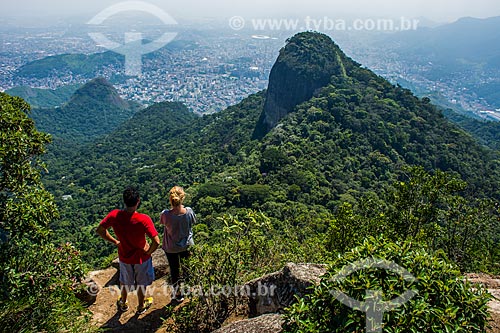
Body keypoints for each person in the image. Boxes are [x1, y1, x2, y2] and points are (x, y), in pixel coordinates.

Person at [96, 186, 160, 315]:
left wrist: (115, 242)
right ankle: (141, 306)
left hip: (125, 256)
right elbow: (156, 241)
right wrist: (148, 252)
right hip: (142, 258)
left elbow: (100, 230)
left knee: (125, 281)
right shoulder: (143, 219)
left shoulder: (114, 215)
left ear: (124, 201)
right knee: (141, 284)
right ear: (138, 201)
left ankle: (123, 302)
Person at [160, 186, 195, 302]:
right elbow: (192, 222)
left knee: (174, 270)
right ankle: (189, 290)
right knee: (187, 268)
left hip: (171, 247)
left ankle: (178, 294)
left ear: (170, 199)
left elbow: (163, 224)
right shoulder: (189, 211)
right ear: (183, 198)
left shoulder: (165, 214)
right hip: (187, 245)